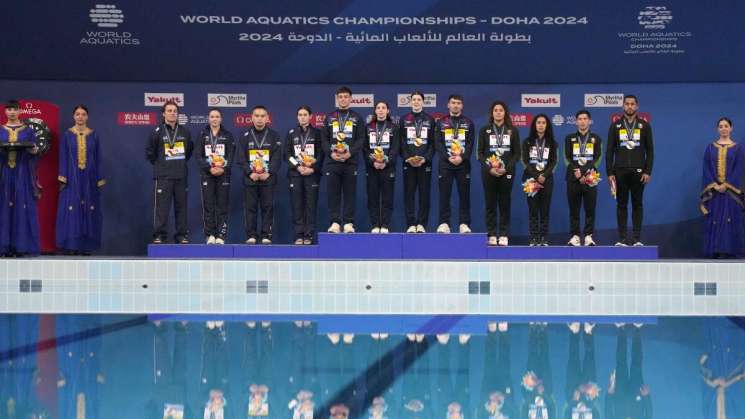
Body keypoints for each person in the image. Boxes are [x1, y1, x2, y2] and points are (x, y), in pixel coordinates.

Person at [56, 105, 106, 254]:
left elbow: (98, 158)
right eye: (77, 114)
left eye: (83, 114)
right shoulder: (67, 135)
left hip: (89, 179)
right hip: (72, 177)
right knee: (73, 210)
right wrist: (63, 177)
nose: (80, 117)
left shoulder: (94, 135)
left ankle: (86, 246)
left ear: (87, 117)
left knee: (89, 210)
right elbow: (63, 156)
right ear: (73, 116)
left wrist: (99, 177)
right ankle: (72, 245)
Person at [606, 94, 654, 246]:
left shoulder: (644, 125)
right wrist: (610, 173)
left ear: (637, 106)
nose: (630, 106)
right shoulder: (615, 126)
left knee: (637, 204)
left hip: (639, 172)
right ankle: (622, 239)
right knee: (621, 205)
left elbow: (650, 150)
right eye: (627, 104)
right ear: (623, 106)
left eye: (632, 104)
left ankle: (637, 239)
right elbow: (609, 151)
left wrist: (648, 171)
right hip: (620, 172)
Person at [146, 100, 193, 244]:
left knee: (181, 208)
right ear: (163, 114)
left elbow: (189, 151)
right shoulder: (157, 132)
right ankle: (159, 235)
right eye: (169, 111)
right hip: (163, 177)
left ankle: (182, 235)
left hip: (180, 176)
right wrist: (162, 165)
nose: (172, 113)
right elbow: (150, 153)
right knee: (161, 209)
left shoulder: (185, 132)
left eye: (175, 111)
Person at [0, 99, 41, 256]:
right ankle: (4, 247)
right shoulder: (1, 130)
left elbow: (34, 152)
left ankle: (21, 247)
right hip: (4, 174)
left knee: (21, 207)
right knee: (4, 207)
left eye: (14, 109)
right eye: (9, 109)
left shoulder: (28, 131)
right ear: (5, 112)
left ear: (20, 111)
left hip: (22, 173)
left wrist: (34, 151)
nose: (11, 112)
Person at [477, 101, 521, 246]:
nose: (498, 112)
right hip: (489, 172)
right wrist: (489, 168)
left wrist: (506, 168)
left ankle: (503, 234)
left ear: (505, 113)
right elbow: (480, 153)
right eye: (495, 110)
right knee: (490, 203)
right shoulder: (484, 130)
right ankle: (491, 234)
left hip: (506, 172)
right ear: (492, 113)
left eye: (501, 110)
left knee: (504, 203)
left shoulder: (513, 130)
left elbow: (517, 154)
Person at [700, 117, 745, 258]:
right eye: (721, 126)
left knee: (731, 219)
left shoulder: (738, 148)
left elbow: (739, 169)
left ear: (731, 128)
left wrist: (727, 185)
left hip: (732, 192)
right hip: (714, 192)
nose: (724, 128)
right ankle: (715, 252)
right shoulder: (710, 148)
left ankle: (732, 252)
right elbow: (706, 168)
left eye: (726, 126)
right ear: (717, 129)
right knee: (714, 219)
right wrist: (715, 185)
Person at [323, 86, 365, 233]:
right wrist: (331, 153)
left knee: (349, 193)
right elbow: (324, 140)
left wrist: (350, 153)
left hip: (350, 161)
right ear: (337, 99)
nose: (343, 99)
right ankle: (335, 222)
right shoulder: (329, 117)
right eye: (340, 97)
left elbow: (361, 139)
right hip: (333, 161)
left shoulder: (357, 118)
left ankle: (348, 223)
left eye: (346, 96)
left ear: (350, 99)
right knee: (333, 193)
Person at [237, 105, 281, 244]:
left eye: (262, 116)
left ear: (267, 118)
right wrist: (250, 173)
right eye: (257, 116)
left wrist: (268, 172)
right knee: (250, 208)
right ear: (251, 118)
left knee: (267, 207)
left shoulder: (274, 136)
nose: (259, 119)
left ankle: (266, 235)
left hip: (268, 178)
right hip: (251, 179)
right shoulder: (244, 136)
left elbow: (277, 157)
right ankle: (251, 235)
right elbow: (241, 158)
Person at [435, 94, 475, 234]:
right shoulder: (441, 122)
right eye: (453, 103)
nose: (456, 105)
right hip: (446, 164)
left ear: (462, 106)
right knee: (444, 195)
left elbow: (470, 144)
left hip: (463, 164)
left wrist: (462, 158)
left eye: (458, 103)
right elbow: (438, 143)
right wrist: (447, 157)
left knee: (464, 195)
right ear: (448, 105)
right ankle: (444, 223)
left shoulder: (468, 123)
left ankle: (464, 223)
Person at [195, 108, 236, 245]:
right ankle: (210, 234)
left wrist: (222, 168)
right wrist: (209, 168)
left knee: (222, 206)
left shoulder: (228, 135)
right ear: (208, 118)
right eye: (212, 116)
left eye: (217, 116)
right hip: (208, 174)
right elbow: (198, 156)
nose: (214, 119)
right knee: (208, 205)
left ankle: (221, 235)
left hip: (223, 175)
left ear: (221, 119)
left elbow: (231, 155)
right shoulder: (202, 135)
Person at [564, 110, 602, 247]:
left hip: (590, 178)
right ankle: (575, 236)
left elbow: (598, 159)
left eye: (585, 118)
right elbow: (567, 158)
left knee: (590, 209)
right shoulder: (569, 138)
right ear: (576, 122)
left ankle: (588, 236)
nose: (582, 121)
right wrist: (577, 172)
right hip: (573, 178)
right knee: (574, 209)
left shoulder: (596, 138)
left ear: (589, 121)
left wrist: (584, 172)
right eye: (579, 119)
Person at [286, 106, 323, 245]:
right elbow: (287, 155)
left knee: (310, 206)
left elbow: (321, 154)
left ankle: (308, 236)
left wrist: (312, 168)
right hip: (296, 174)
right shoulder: (291, 133)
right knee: (297, 206)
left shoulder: (317, 133)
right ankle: (298, 235)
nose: (302, 117)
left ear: (310, 116)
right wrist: (297, 166)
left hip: (312, 175)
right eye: (300, 114)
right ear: (297, 117)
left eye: (305, 114)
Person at [399, 91, 435, 233]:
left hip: (424, 163)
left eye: (419, 99)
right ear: (410, 102)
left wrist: (425, 158)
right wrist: (408, 158)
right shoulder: (404, 119)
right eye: (413, 99)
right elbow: (400, 142)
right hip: (408, 163)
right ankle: (410, 224)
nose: (416, 102)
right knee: (409, 194)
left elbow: (433, 143)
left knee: (424, 194)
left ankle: (421, 224)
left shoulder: (430, 120)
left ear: (423, 102)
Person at [521, 114, 558, 246]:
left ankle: (543, 238)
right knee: (533, 209)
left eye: (543, 123)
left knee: (545, 209)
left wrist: (544, 175)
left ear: (547, 125)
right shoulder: (527, 142)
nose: (541, 125)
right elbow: (525, 161)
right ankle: (533, 237)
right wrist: (537, 176)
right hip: (530, 179)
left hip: (547, 179)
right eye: (538, 122)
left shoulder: (552, 143)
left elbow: (554, 161)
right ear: (534, 125)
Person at [364, 101, 399, 233]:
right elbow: (365, 148)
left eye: (383, 108)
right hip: (372, 167)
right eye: (378, 108)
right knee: (372, 197)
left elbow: (395, 148)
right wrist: (373, 161)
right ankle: (374, 225)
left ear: (388, 111)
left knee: (387, 197)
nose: (380, 110)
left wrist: (386, 161)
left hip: (388, 167)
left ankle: (384, 225)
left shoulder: (394, 127)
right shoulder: (368, 127)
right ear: (375, 111)